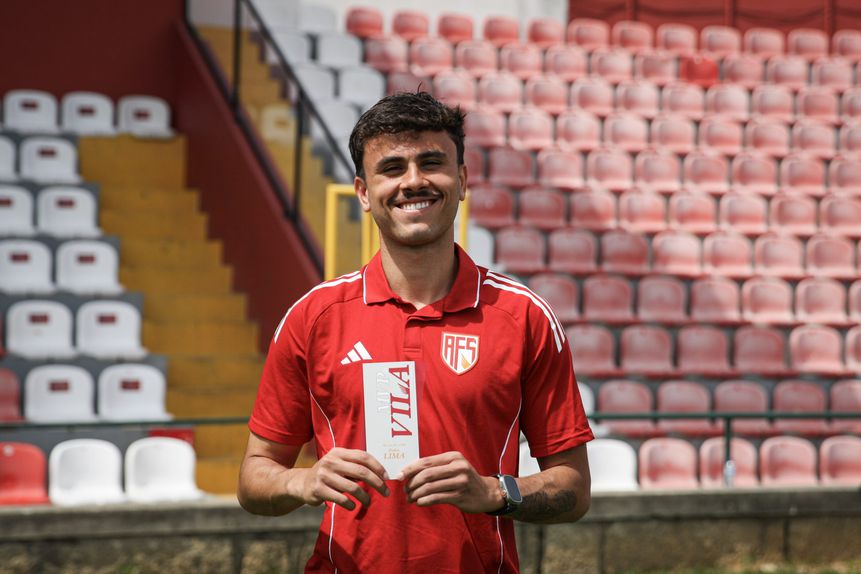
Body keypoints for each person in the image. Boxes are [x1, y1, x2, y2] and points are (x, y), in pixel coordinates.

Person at [238, 92, 594, 573]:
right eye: (392, 168)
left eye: (431, 163)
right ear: (363, 193)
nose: (413, 181)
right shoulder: (313, 317)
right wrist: (302, 482)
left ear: (462, 180)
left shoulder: (523, 316)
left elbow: (573, 490)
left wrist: (493, 491)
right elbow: (253, 479)